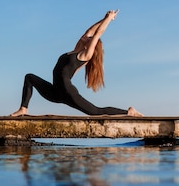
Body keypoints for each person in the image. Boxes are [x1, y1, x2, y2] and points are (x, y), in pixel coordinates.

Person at [10, 10, 142, 117]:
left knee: (95, 112)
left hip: (68, 92)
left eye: (91, 39)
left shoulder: (85, 56)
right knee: (29, 77)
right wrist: (103, 18)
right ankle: (23, 109)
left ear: (93, 46)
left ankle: (129, 112)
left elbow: (97, 34)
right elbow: (90, 31)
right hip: (55, 92)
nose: (88, 37)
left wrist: (109, 19)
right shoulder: (76, 50)